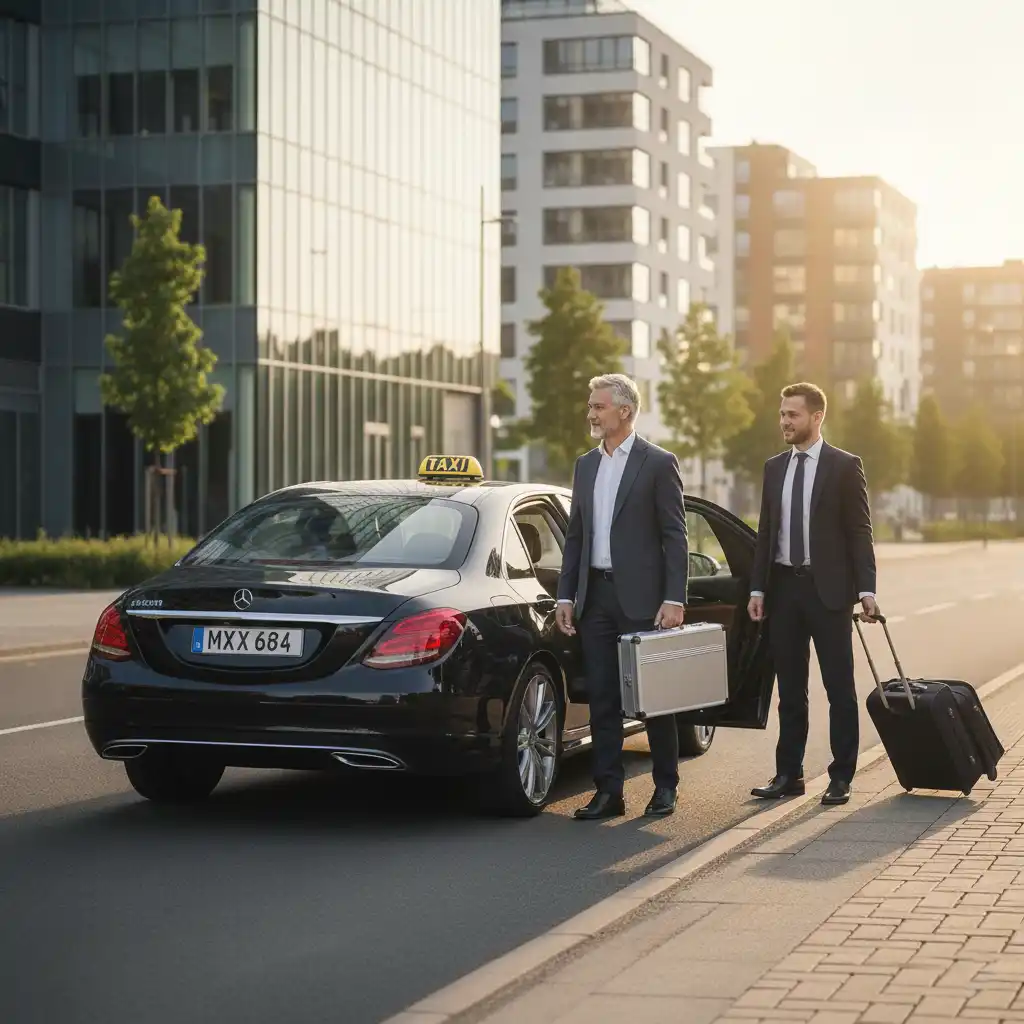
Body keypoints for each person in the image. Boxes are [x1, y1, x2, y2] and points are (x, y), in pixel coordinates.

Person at [556, 373, 688, 820]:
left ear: (624, 411)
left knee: (656, 698)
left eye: (598, 406)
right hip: (595, 599)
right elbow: (575, 536)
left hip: (645, 601)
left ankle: (665, 786)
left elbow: (676, 536)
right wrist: (565, 595)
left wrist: (674, 597)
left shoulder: (657, 462)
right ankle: (608, 792)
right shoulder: (585, 465)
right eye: (591, 406)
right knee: (604, 699)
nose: (591, 413)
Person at [747, 382, 880, 807]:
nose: (784, 421)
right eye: (782, 414)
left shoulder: (844, 466)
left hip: (829, 594)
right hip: (785, 590)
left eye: (793, 415)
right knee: (790, 691)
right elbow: (767, 532)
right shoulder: (773, 468)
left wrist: (866, 590)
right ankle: (789, 774)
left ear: (816, 417)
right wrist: (757, 588)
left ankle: (841, 776)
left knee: (839, 687)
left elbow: (860, 532)